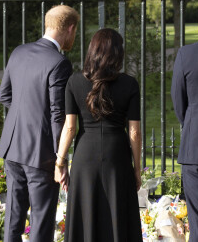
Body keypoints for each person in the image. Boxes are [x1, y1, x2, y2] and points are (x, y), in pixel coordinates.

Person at [0, 5, 79, 242]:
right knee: (41, 224)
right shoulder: (59, 62)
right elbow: (57, 114)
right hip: (41, 154)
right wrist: (60, 159)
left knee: (13, 219)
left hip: (12, 149)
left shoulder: (18, 52)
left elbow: (5, 95)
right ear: (70, 29)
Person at [54, 28, 143, 242]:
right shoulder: (130, 84)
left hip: (85, 155)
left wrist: (60, 162)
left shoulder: (74, 82)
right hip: (117, 155)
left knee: (85, 215)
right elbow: (135, 131)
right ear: (118, 54)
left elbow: (69, 128)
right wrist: (137, 169)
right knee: (119, 214)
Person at [171, 0, 198, 242]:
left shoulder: (187, 54)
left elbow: (179, 100)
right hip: (197, 147)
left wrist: (192, 124)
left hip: (196, 148)